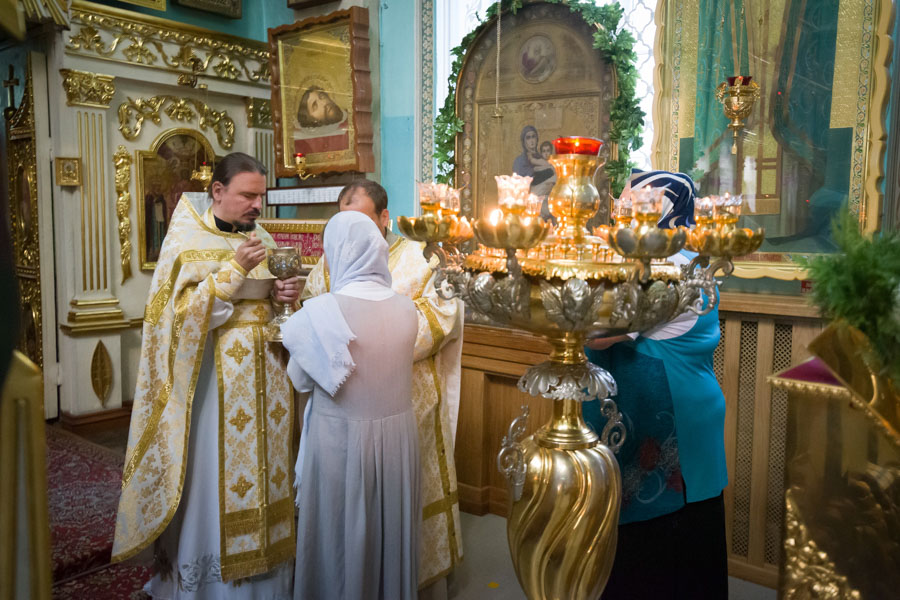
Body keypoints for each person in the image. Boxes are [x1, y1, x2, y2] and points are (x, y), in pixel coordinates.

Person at [112, 153, 300, 598]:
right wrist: (233, 273)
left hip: (269, 381)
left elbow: (279, 304)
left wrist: (287, 292)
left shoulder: (266, 238)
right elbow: (174, 322)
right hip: (213, 388)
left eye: (262, 196)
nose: (257, 205)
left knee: (271, 474)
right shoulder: (186, 240)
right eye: (248, 195)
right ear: (218, 192)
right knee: (214, 481)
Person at [301, 180, 464, 598]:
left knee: (395, 501)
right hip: (345, 403)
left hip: (407, 397)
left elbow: (441, 318)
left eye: (360, 220)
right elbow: (312, 302)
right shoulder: (327, 262)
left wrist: (368, 346)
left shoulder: (421, 258)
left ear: (384, 219)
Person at [583, 169, 729, 600]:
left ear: (661, 209)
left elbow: (596, 332)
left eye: (633, 205)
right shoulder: (689, 260)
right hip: (689, 407)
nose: (621, 214)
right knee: (687, 545)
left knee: (657, 554)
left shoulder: (663, 268)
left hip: (671, 422)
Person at [283, 211, 420, 600]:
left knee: (339, 538)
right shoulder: (408, 308)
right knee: (388, 533)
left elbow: (301, 379)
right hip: (397, 443)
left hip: (339, 442)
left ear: (336, 254)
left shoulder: (318, 314)